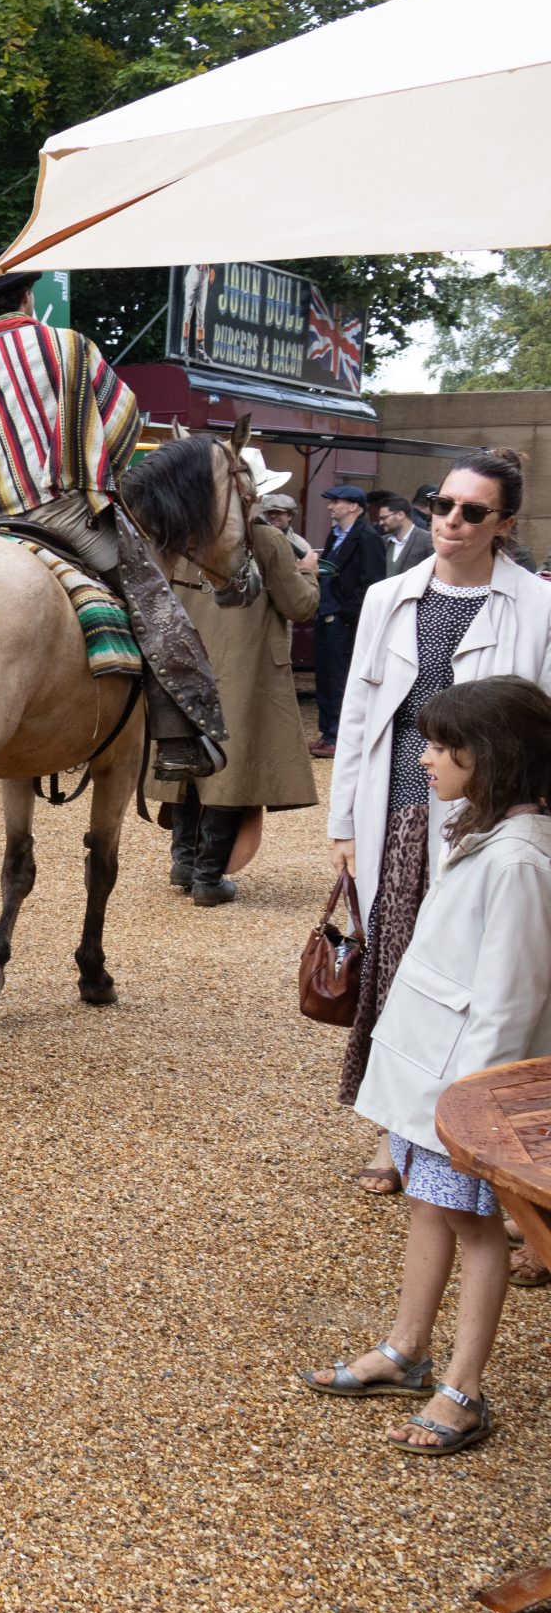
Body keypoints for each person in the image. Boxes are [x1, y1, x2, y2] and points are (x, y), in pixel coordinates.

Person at [297, 675, 551, 1454]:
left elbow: (512, 1000)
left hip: (459, 1089)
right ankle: (407, 1349)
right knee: (429, 1208)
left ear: (492, 755)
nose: (426, 758)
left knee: (476, 1227)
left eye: (443, 746)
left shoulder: (519, 860)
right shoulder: (484, 833)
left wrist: (469, 1112)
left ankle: (463, 1389)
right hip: (429, 1076)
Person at [330, 450, 551, 1198]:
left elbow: (537, 726)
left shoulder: (536, 605)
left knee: (481, 975)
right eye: (442, 505)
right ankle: (396, 1131)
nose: (452, 521)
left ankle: (487, 1139)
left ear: (504, 524)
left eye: (472, 511)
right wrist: (343, 822)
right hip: (395, 807)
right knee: (399, 969)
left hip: (487, 817)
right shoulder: (389, 595)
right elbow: (358, 714)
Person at [0, 256, 224, 786]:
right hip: (64, 514)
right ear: (27, 297)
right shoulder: (69, 346)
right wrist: (96, 474)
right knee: (155, 602)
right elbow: (122, 415)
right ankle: (179, 739)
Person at [157, 450, 319, 905]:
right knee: (234, 765)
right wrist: (310, 575)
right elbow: (300, 605)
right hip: (245, 667)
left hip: (187, 663)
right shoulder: (264, 539)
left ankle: (184, 861)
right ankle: (208, 877)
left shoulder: (180, 535)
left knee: (189, 758)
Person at [312, 481, 384, 757]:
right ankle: (327, 732)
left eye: (336, 502)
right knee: (325, 677)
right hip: (326, 613)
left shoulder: (368, 538)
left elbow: (373, 582)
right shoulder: (335, 536)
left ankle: (338, 737)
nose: (330, 507)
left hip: (344, 620)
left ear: (354, 506)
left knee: (340, 678)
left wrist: (349, 614)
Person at [373, 490, 434, 577]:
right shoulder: (382, 541)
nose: (380, 523)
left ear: (400, 515)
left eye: (384, 518)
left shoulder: (426, 539)